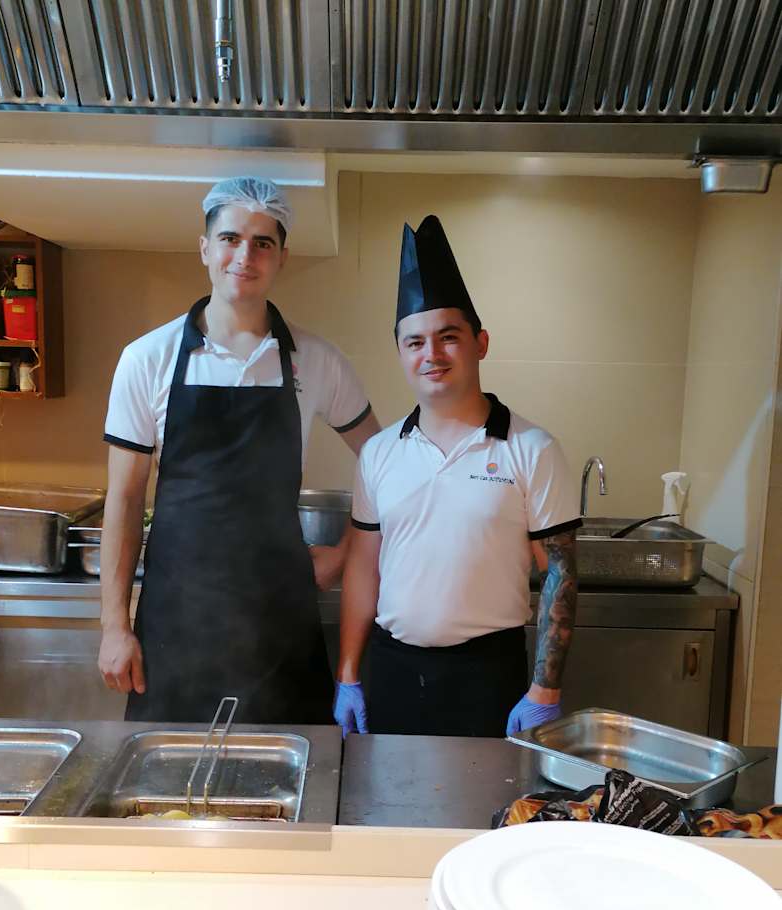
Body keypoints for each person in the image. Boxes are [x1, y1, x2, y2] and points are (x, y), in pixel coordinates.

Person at [98, 177, 379, 725]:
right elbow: (125, 500)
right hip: (176, 624)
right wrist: (115, 626)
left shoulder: (316, 360)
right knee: (167, 774)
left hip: (280, 626)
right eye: (230, 238)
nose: (244, 256)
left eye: (262, 242)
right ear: (205, 248)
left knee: (292, 773)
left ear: (282, 257)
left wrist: (346, 552)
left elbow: (385, 460)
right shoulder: (147, 359)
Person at [333, 215, 579, 739]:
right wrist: (348, 674)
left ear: (480, 342)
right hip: (394, 671)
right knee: (389, 794)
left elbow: (560, 571)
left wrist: (545, 689)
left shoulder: (532, 448)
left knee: (489, 796)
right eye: (415, 342)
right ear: (400, 352)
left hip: (489, 674)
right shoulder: (378, 453)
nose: (432, 355)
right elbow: (363, 569)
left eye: (448, 337)